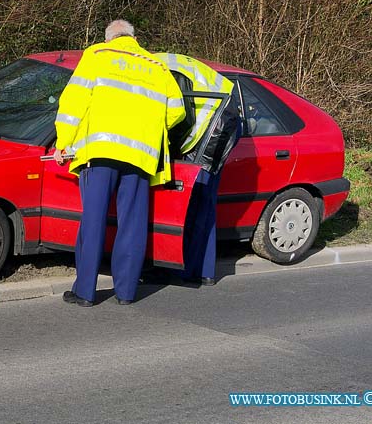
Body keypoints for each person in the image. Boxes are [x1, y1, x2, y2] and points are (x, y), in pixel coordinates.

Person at [53, 20, 186, 306]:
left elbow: (73, 101)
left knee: (93, 221)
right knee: (133, 224)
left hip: (100, 153)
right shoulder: (158, 66)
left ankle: (85, 292)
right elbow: (177, 111)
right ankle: (126, 293)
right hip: (140, 156)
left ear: (110, 38)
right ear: (133, 38)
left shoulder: (97, 56)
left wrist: (63, 141)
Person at [156, 54, 241, 286]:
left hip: (214, 127)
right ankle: (205, 271)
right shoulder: (164, 63)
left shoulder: (159, 71)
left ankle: (187, 272)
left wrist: (168, 150)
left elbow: (181, 118)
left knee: (194, 201)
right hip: (223, 116)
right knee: (204, 203)